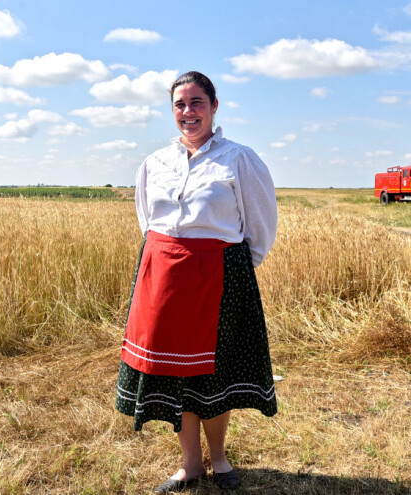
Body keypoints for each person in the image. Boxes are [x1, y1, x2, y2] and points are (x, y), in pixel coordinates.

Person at [115, 71, 278, 492]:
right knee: (175, 374)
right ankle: (190, 465)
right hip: (164, 280)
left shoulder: (238, 159)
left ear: (214, 106)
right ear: (172, 111)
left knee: (213, 375)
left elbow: (259, 228)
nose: (188, 112)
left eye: (197, 102)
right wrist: (169, 262)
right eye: (180, 104)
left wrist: (230, 268)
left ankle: (219, 460)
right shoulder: (154, 163)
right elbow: (147, 222)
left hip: (220, 279)